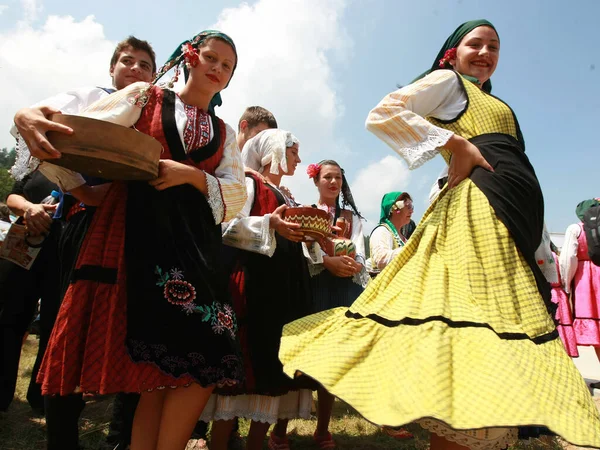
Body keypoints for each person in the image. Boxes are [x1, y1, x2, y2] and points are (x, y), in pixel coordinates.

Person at [279, 19, 600, 449]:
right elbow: (385, 112)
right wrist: (456, 145)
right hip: (478, 209)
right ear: (452, 51)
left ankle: (491, 427)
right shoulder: (450, 83)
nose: (485, 52)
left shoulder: (492, 100)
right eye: (475, 44)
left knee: (499, 320)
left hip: (511, 213)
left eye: (494, 47)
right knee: (473, 320)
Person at [36, 30, 247, 450]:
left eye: (227, 65)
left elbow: (236, 195)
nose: (218, 68)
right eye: (211, 57)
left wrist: (191, 175)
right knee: (157, 369)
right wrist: (79, 190)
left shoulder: (225, 133)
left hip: (197, 251)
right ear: (190, 57)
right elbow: (75, 134)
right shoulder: (144, 97)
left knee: (209, 352)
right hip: (139, 240)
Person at [11, 36, 157, 450]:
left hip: (137, 232)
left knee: (135, 333)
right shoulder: (91, 97)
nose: (135, 69)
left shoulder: (159, 112)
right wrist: (81, 191)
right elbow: (37, 120)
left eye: (145, 65)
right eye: (127, 61)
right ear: (113, 68)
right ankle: (62, 441)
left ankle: (122, 441)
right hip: (83, 225)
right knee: (67, 330)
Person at [201, 129, 312, 450]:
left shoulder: (286, 193)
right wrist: (269, 224)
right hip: (253, 287)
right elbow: (223, 227)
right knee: (241, 374)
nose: (299, 159)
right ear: (274, 150)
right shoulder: (249, 183)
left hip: (283, 290)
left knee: (272, 373)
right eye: (293, 151)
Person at [188, 106, 278, 450]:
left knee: (236, 354)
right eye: (260, 137)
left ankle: (226, 431)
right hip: (214, 261)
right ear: (244, 129)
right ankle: (196, 430)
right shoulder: (227, 163)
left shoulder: (259, 180)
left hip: (241, 269)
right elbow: (224, 220)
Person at [300, 159, 367, 448]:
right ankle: (279, 427)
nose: (333, 182)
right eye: (327, 177)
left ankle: (322, 429)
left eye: (338, 177)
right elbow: (304, 247)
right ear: (316, 181)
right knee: (302, 357)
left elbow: (361, 250)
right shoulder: (306, 213)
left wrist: (354, 264)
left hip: (343, 289)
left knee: (333, 360)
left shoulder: (354, 218)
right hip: (315, 286)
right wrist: (326, 261)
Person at [0, 171, 61, 413]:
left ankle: (41, 397)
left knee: (52, 324)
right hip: (22, 250)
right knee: (7, 321)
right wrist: (29, 208)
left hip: (64, 253)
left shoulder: (88, 166)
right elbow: (13, 195)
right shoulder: (38, 162)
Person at [560, 198, 600, 381]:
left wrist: (566, 285)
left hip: (586, 283)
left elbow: (568, 259)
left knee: (596, 332)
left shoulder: (575, 229)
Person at [366, 191, 414, 277]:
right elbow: (380, 259)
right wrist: (410, 250)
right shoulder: (381, 231)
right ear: (395, 209)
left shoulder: (404, 240)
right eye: (408, 205)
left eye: (412, 206)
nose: (412, 211)